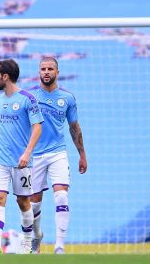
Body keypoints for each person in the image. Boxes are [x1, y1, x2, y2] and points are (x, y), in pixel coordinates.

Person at [28, 57, 88, 254]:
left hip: (57, 153)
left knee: (61, 196)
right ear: (39, 72)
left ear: (57, 72)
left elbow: (74, 127)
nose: (46, 72)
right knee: (33, 204)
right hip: (35, 156)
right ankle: (36, 237)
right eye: (43, 69)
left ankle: (59, 246)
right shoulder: (30, 97)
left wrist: (82, 154)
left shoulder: (67, 98)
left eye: (50, 69)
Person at [0, 60, 43, 254]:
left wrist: (27, 153)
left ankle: (27, 242)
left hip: (21, 163)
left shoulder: (28, 99)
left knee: (23, 202)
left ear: (5, 76)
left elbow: (37, 127)